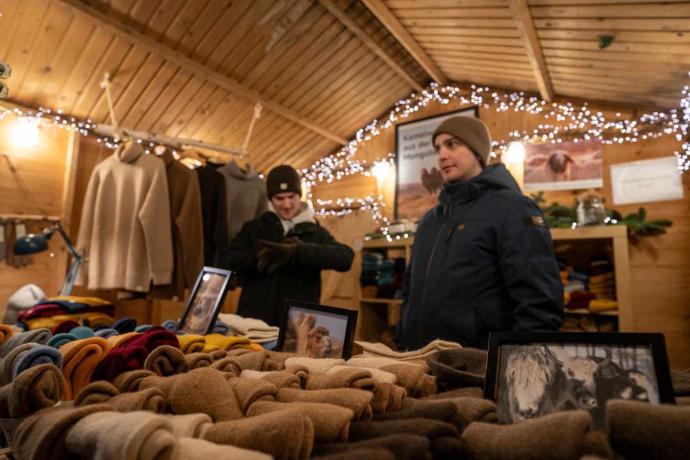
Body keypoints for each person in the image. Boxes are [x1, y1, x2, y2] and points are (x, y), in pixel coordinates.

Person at [397, 116, 564, 350]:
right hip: (418, 364)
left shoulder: (513, 209)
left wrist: (512, 368)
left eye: (452, 144)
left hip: (478, 369)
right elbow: (409, 291)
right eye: (438, 148)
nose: (442, 154)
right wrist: (402, 338)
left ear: (477, 151)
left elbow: (539, 303)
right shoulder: (429, 220)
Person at [220, 165, 354, 327]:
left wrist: (298, 252)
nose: (287, 204)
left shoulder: (314, 231)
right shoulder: (255, 228)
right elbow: (228, 259)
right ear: (270, 199)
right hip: (253, 321)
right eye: (279, 198)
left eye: (291, 197)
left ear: (299, 196)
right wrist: (259, 257)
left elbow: (345, 257)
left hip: (297, 324)